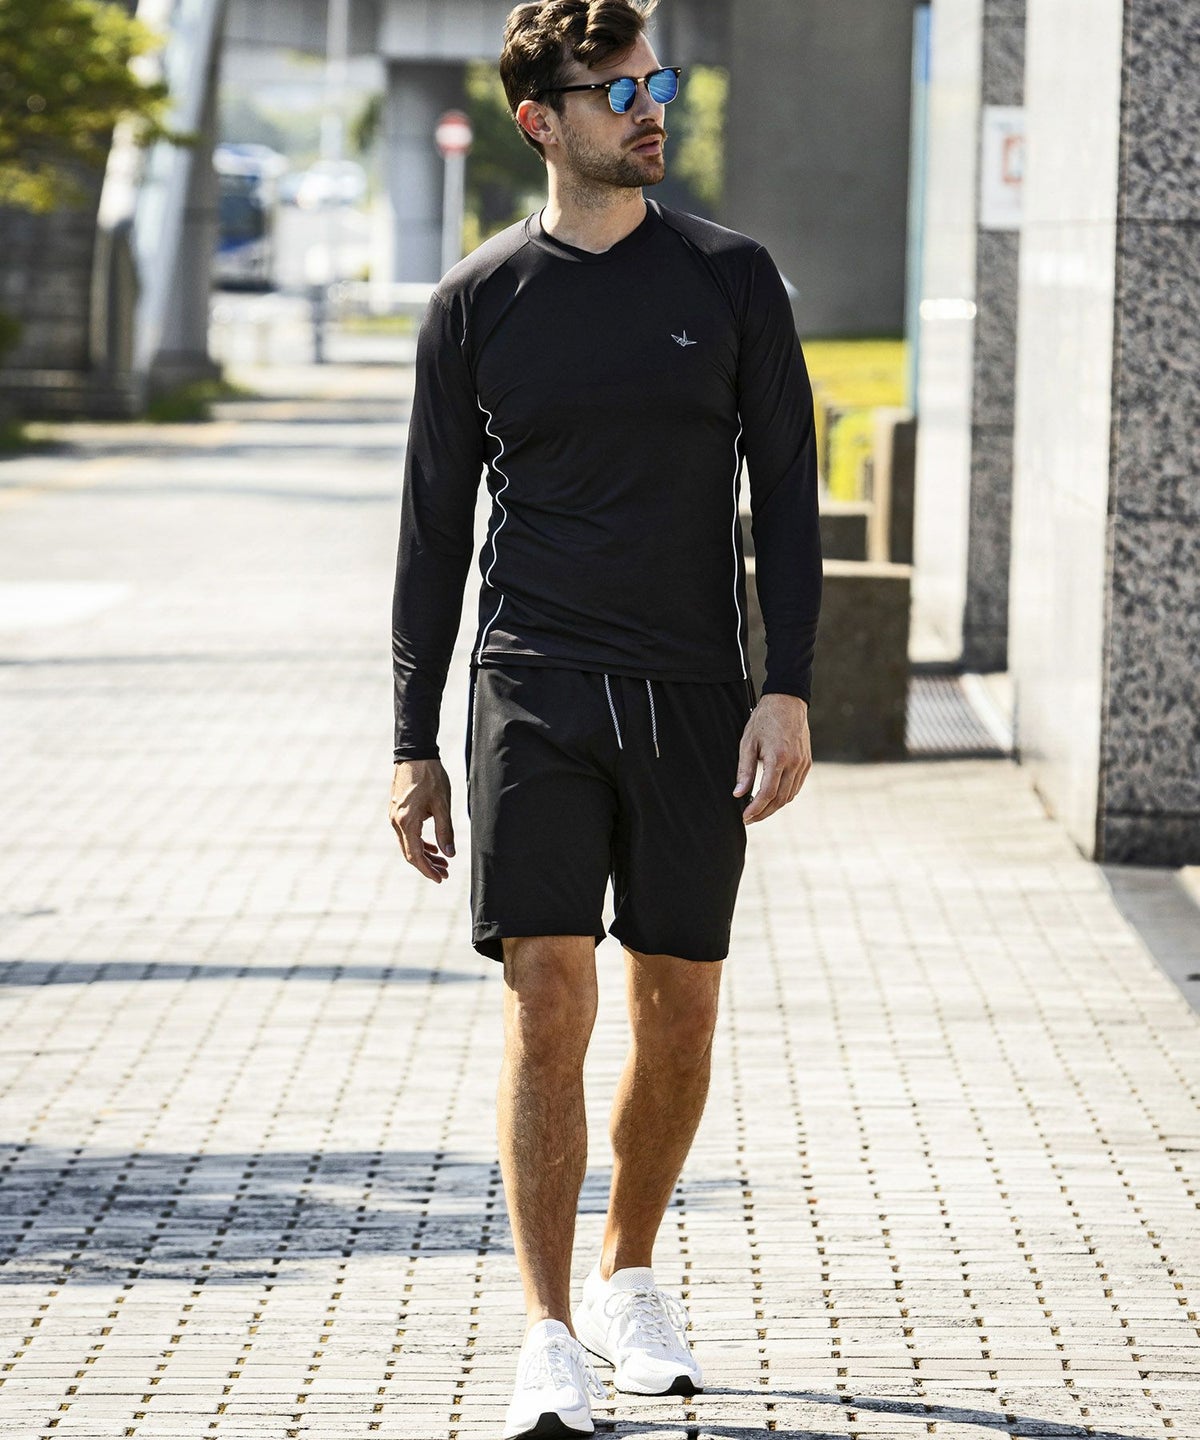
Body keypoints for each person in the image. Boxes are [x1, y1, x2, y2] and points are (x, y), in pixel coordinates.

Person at [389, 2, 822, 1434]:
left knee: (678, 1006)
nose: (652, 109)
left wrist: (788, 688)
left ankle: (633, 1272)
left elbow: (790, 503)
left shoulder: (732, 279)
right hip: (534, 687)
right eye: (618, 90)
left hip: (695, 695)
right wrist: (412, 742)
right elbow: (432, 535)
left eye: (657, 82)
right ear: (541, 121)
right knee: (549, 998)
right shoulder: (476, 303)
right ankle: (548, 1329)